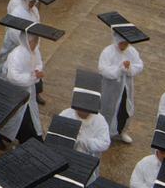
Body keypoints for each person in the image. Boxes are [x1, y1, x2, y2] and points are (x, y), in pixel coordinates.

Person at [96, 15, 146, 143]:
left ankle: (122, 131)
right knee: (108, 109)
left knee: (124, 109)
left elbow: (139, 65)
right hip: (111, 89)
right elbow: (103, 69)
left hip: (126, 87)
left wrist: (129, 69)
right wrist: (119, 69)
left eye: (126, 43)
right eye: (122, 43)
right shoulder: (107, 52)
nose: (124, 46)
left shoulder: (131, 51)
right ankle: (105, 132)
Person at [58, 69, 111, 160]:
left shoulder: (100, 120)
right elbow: (57, 136)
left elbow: (104, 143)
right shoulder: (66, 115)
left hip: (89, 159)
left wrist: (84, 142)